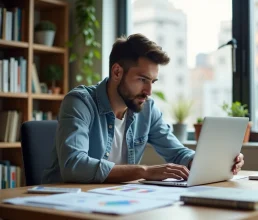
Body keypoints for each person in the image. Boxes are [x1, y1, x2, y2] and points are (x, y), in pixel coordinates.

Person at [42, 33, 244, 184]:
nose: (148, 91)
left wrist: (211, 162)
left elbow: (176, 152)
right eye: (142, 80)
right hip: (63, 202)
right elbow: (74, 166)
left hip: (112, 200)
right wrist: (144, 171)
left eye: (153, 81)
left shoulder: (147, 109)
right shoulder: (80, 102)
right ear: (117, 72)